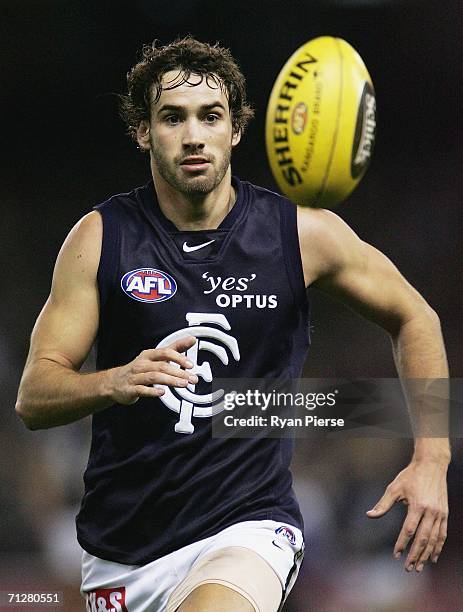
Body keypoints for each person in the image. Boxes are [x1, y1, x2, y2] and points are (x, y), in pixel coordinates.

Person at [15, 37, 450, 612]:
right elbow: (33, 396)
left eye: (210, 116)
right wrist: (113, 382)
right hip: (120, 553)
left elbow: (415, 316)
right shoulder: (101, 238)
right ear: (144, 131)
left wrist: (431, 458)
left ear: (237, 129)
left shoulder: (301, 235)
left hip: (247, 528)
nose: (193, 135)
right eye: (172, 118)